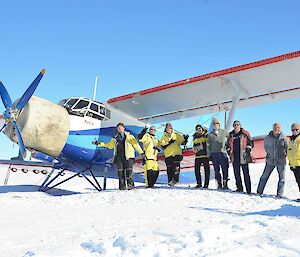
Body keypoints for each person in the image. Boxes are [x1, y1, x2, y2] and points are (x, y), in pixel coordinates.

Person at [92, 122, 144, 190]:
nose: (120, 129)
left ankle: (130, 186)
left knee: (129, 172)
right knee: (120, 173)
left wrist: (142, 153)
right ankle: (122, 187)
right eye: (118, 128)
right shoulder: (115, 138)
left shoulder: (130, 136)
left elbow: (136, 145)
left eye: (121, 127)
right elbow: (109, 146)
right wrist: (99, 143)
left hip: (128, 157)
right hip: (119, 158)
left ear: (123, 128)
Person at [257, 123, 288, 197]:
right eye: (275, 127)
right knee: (264, 176)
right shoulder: (268, 138)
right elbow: (265, 147)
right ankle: (259, 191)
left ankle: (279, 194)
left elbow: (287, 148)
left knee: (281, 178)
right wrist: (269, 155)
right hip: (270, 161)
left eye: (278, 127)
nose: (276, 129)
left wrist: (284, 156)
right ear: (272, 128)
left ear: (280, 128)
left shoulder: (284, 138)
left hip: (281, 161)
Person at [227, 120, 254, 194]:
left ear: (240, 125)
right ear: (233, 126)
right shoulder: (231, 135)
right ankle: (239, 188)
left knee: (246, 174)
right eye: (235, 125)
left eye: (238, 124)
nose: (236, 126)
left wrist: (248, 149)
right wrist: (229, 151)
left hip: (244, 157)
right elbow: (227, 145)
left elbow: (251, 142)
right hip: (234, 157)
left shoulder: (245, 133)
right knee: (236, 174)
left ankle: (248, 190)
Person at [207, 117, 229, 189]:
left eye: (217, 123)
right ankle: (219, 184)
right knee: (217, 170)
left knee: (225, 169)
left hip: (222, 153)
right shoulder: (210, 135)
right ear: (212, 125)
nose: (215, 125)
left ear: (219, 124)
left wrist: (228, 145)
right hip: (214, 154)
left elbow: (230, 137)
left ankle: (225, 184)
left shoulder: (223, 131)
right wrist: (209, 155)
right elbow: (208, 146)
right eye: (214, 124)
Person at [287, 123, 300, 201]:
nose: (294, 131)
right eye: (292, 130)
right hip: (294, 165)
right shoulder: (291, 140)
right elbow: (290, 152)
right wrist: (291, 164)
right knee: (298, 181)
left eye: (296, 129)